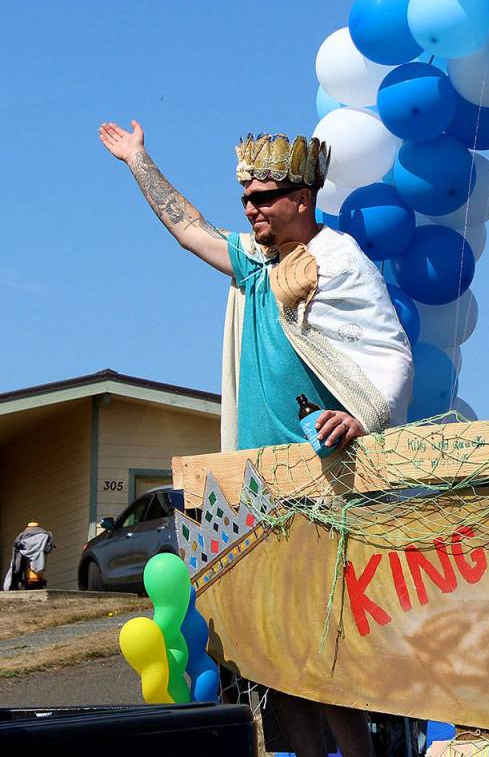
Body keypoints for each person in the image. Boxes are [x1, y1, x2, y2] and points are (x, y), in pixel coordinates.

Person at [99, 120, 414, 757]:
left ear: (302, 198)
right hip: (250, 487)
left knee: (329, 655)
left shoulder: (340, 261)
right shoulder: (254, 265)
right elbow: (190, 230)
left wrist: (360, 415)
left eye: (263, 195)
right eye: (245, 196)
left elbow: (391, 354)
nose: (250, 207)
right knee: (272, 662)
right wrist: (139, 160)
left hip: (325, 486)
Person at [3, 521, 55, 590]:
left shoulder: (21, 539)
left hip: (30, 576)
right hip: (38, 574)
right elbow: (48, 549)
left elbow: (16, 561)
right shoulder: (46, 537)